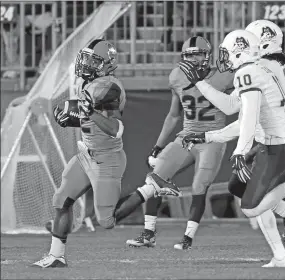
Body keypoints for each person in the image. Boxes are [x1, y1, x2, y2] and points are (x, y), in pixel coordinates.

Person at [179, 29, 285, 267]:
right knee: (242, 191)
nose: (224, 58)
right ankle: (282, 249)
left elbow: (248, 118)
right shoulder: (258, 70)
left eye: (228, 52)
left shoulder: (249, 73)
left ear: (240, 51)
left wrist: (239, 150)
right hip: (275, 144)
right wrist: (208, 133)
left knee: (250, 207)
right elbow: (235, 111)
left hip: (276, 147)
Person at [33, 39, 180, 268]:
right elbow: (86, 117)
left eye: (94, 60)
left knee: (107, 221)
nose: (87, 64)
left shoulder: (110, 87)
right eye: (88, 58)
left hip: (107, 159)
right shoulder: (87, 83)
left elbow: (116, 129)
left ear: (106, 64)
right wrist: (69, 117)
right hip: (86, 154)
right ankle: (56, 256)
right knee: (61, 200)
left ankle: (151, 187)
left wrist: (87, 112)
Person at [126, 36, 234, 250]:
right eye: (188, 55)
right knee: (157, 177)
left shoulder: (225, 76)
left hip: (212, 139)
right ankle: (148, 234)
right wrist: (158, 145)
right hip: (186, 137)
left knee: (198, 185)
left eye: (197, 54)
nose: (193, 59)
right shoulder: (177, 76)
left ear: (207, 56)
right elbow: (173, 115)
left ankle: (188, 238)